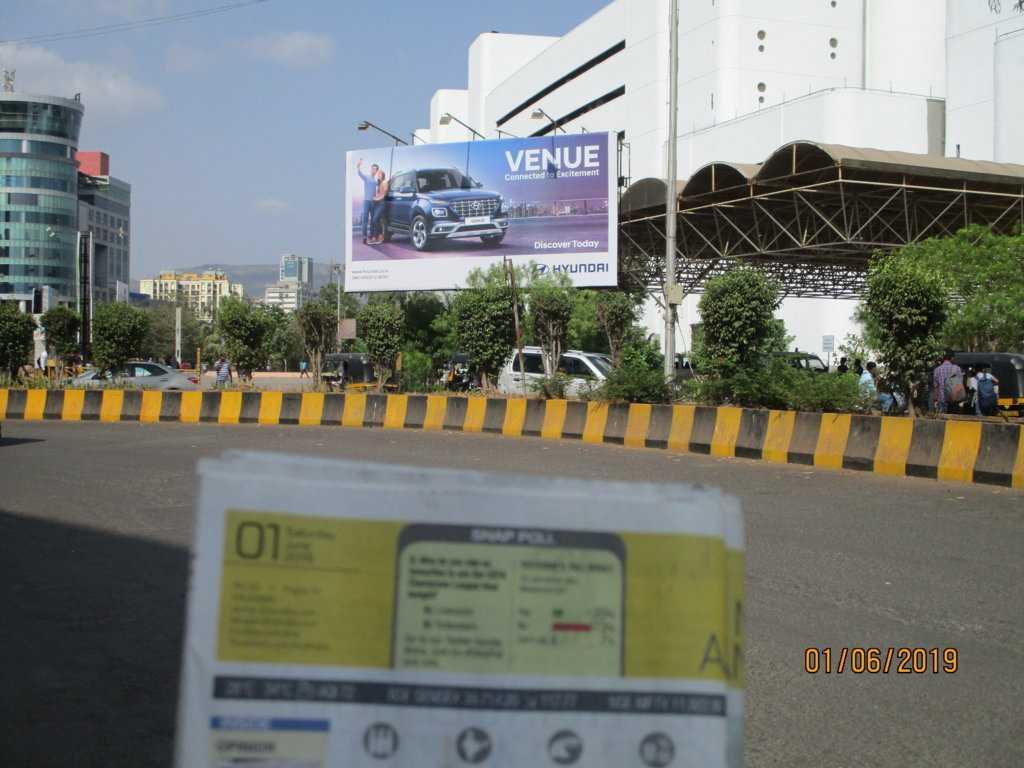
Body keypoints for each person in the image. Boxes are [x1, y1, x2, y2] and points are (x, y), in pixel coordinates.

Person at [356, 159, 381, 244]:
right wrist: (358, 166)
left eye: (375, 169)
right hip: (366, 201)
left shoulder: (376, 181)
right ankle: (364, 237)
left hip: (373, 202)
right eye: (372, 168)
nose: (373, 170)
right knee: (365, 220)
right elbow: (360, 174)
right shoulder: (366, 177)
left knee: (373, 220)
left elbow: (381, 185)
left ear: (376, 171)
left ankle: (371, 236)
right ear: (371, 169)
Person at [367, 169, 389, 245]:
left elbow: (384, 195)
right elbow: (378, 194)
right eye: (378, 174)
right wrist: (374, 198)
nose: (378, 175)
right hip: (377, 204)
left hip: (382, 204)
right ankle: (376, 237)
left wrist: (376, 199)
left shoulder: (385, 182)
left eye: (380, 174)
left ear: (383, 175)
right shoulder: (379, 184)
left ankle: (380, 236)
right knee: (376, 220)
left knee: (375, 219)